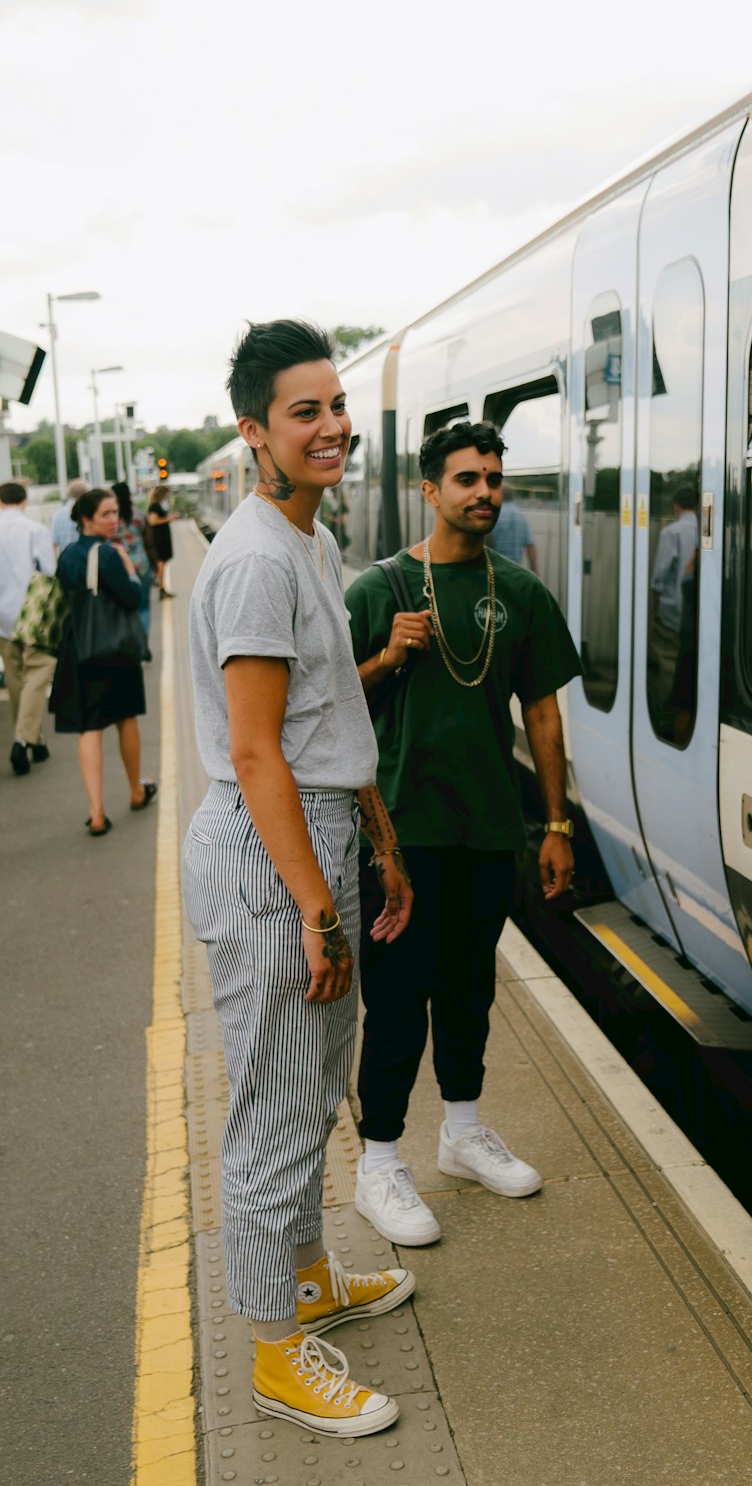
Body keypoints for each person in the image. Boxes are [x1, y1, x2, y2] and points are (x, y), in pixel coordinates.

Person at [181, 319, 415, 1439]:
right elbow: (259, 750)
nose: (330, 428)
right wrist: (319, 911)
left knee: (315, 1089)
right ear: (254, 432)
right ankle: (276, 1348)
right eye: (303, 412)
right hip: (275, 852)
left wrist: (377, 839)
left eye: (336, 406)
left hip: (320, 833)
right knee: (272, 1112)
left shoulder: (309, 539)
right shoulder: (258, 560)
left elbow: (333, 721)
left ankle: (309, 1281)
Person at [345, 420, 581, 1246]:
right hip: (401, 839)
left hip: (486, 830)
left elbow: (543, 712)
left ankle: (462, 1132)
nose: (484, 491)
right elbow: (325, 713)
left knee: (470, 988)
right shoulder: (379, 591)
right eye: (466, 479)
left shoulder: (519, 593)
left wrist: (555, 823)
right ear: (429, 490)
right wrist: (385, 659)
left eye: (493, 478)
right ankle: (378, 1160)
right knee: (399, 998)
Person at [48, 488, 157, 833]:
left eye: (115, 513)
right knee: (126, 719)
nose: (115, 520)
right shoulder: (108, 555)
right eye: (106, 514)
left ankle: (96, 813)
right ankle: (136, 791)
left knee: (89, 728)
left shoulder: (67, 555)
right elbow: (132, 597)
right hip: (113, 651)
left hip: (78, 650)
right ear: (86, 520)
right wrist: (128, 568)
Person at [0, 482, 58, 774]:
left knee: (15, 679)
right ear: (24, 501)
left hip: (2, 617)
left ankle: (35, 741)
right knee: (37, 674)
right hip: (31, 613)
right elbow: (48, 571)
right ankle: (22, 741)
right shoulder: (36, 530)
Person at [648, 486, 699, 732]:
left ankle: (665, 718)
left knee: (669, 664)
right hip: (698, 615)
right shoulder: (710, 530)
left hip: (672, 612)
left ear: (676, 506)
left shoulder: (672, 532)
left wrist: (653, 608)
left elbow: (660, 575)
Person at [111, 481, 154, 638]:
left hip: (118, 567)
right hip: (141, 565)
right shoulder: (140, 516)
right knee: (143, 607)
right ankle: (141, 643)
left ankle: (128, 644)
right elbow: (150, 544)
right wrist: (155, 567)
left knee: (123, 608)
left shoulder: (111, 520)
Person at [488, 480, 538, 572]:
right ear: (512, 496)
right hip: (515, 569)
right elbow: (530, 545)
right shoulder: (521, 516)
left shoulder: (493, 514)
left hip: (494, 568)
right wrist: (534, 570)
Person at [145, 484, 179, 597]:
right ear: (163, 494)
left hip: (161, 537)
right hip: (159, 538)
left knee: (162, 562)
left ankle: (161, 586)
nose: (168, 496)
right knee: (161, 563)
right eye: (167, 494)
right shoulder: (154, 506)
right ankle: (161, 587)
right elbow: (153, 521)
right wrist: (169, 518)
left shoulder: (156, 505)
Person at [51, 478, 87, 558]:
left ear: (70, 493)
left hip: (65, 559)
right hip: (86, 558)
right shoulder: (88, 512)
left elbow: (53, 544)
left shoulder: (57, 515)